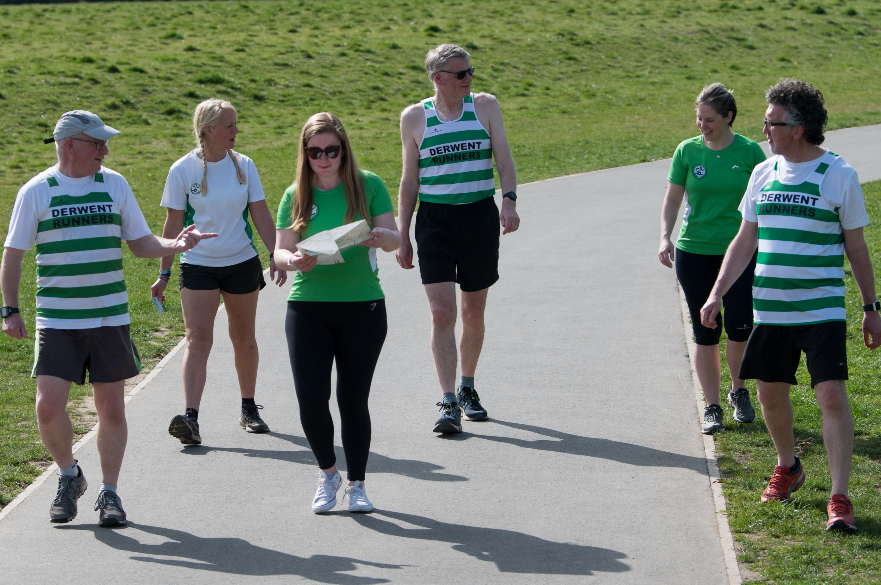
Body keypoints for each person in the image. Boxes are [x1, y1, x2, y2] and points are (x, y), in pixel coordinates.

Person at [1, 110, 216, 527]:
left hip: (108, 317)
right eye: (96, 143)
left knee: (111, 410)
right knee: (48, 407)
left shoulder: (113, 184)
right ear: (69, 145)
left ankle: (110, 492)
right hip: (58, 318)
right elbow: (14, 254)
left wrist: (175, 242)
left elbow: (140, 244)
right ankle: (69, 475)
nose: (104, 149)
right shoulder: (37, 191)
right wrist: (10, 308)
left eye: (104, 143)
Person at [700, 79, 881, 532]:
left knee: (831, 395)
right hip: (771, 310)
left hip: (821, 310)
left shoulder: (839, 175)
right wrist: (717, 291)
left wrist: (871, 306)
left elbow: (857, 249)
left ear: (797, 128)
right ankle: (789, 465)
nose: (764, 130)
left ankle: (839, 497)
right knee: (770, 393)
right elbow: (745, 239)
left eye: (771, 123)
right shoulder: (764, 173)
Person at [274, 112, 400, 513]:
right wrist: (293, 258)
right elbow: (278, 250)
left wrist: (383, 237)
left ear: (344, 149)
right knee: (311, 397)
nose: (324, 159)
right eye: (315, 152)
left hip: (362, 306)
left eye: (331, 150)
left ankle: (358, 483)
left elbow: (396, 239)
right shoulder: (296, 194)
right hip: (308, 306)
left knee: (352, 398)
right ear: (305, 153)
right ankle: (328, 473)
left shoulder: (369, 185)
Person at [395, 43, 519, 434]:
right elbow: (409, 180)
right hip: (434, 220)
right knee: (441, 313)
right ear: (438, 78)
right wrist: (403, 234)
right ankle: (447, 401)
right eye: (461, 74)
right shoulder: (415, 117)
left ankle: (467, 387)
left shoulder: (485, 106)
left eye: (471, 72)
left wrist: (509, 201)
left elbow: (504, 158)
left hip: (478, 216)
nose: (469, 79)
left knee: (472, 313)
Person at [151, 99, 285, 447]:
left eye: (236, 124)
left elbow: (261, 214)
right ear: (207, 129)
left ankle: (248, 408)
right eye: (229, 125)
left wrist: (276, 253)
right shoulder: (183, 169)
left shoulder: (245, 165)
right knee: (198, 340)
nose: (236, 131)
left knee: (244, 339)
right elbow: (173, 224)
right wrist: (164, 274)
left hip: (241, 263)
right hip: (197, 267)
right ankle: (190, 418)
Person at [658, 83, 767, 434]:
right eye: (698, 118)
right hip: (694, 252)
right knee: (705, 333)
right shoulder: (687, 152)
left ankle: (738, 391)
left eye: (709, 119)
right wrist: (665, 235)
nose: (701, 125)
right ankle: (712, 406)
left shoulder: (751, 153)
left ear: (728, 117)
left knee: (738, 329)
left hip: (740, 253)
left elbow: (765, 204)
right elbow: (673, 198)